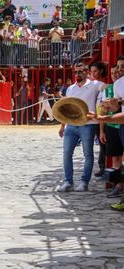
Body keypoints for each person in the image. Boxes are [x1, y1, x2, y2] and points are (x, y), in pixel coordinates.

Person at [57, 63, 104, 192]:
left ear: (86, 72)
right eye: (76, 72)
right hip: (71, 125)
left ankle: (84, 182)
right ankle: (68, 181)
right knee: (67, 153)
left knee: (88, 154)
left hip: (88, 125)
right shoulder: (70, 89)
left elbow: (107, 87)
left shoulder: (94, 85)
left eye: (80, 71)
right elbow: (65, 108)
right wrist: (62, 127)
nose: (77, 74)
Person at [99, 65, 123, 198]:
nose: (115, 74)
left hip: (121, 125)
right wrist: (102, 131)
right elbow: (103, 110)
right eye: (112, 72)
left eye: (117, 72)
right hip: (112, 127)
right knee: (115, 157)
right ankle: (116, 185)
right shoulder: (108, 89)